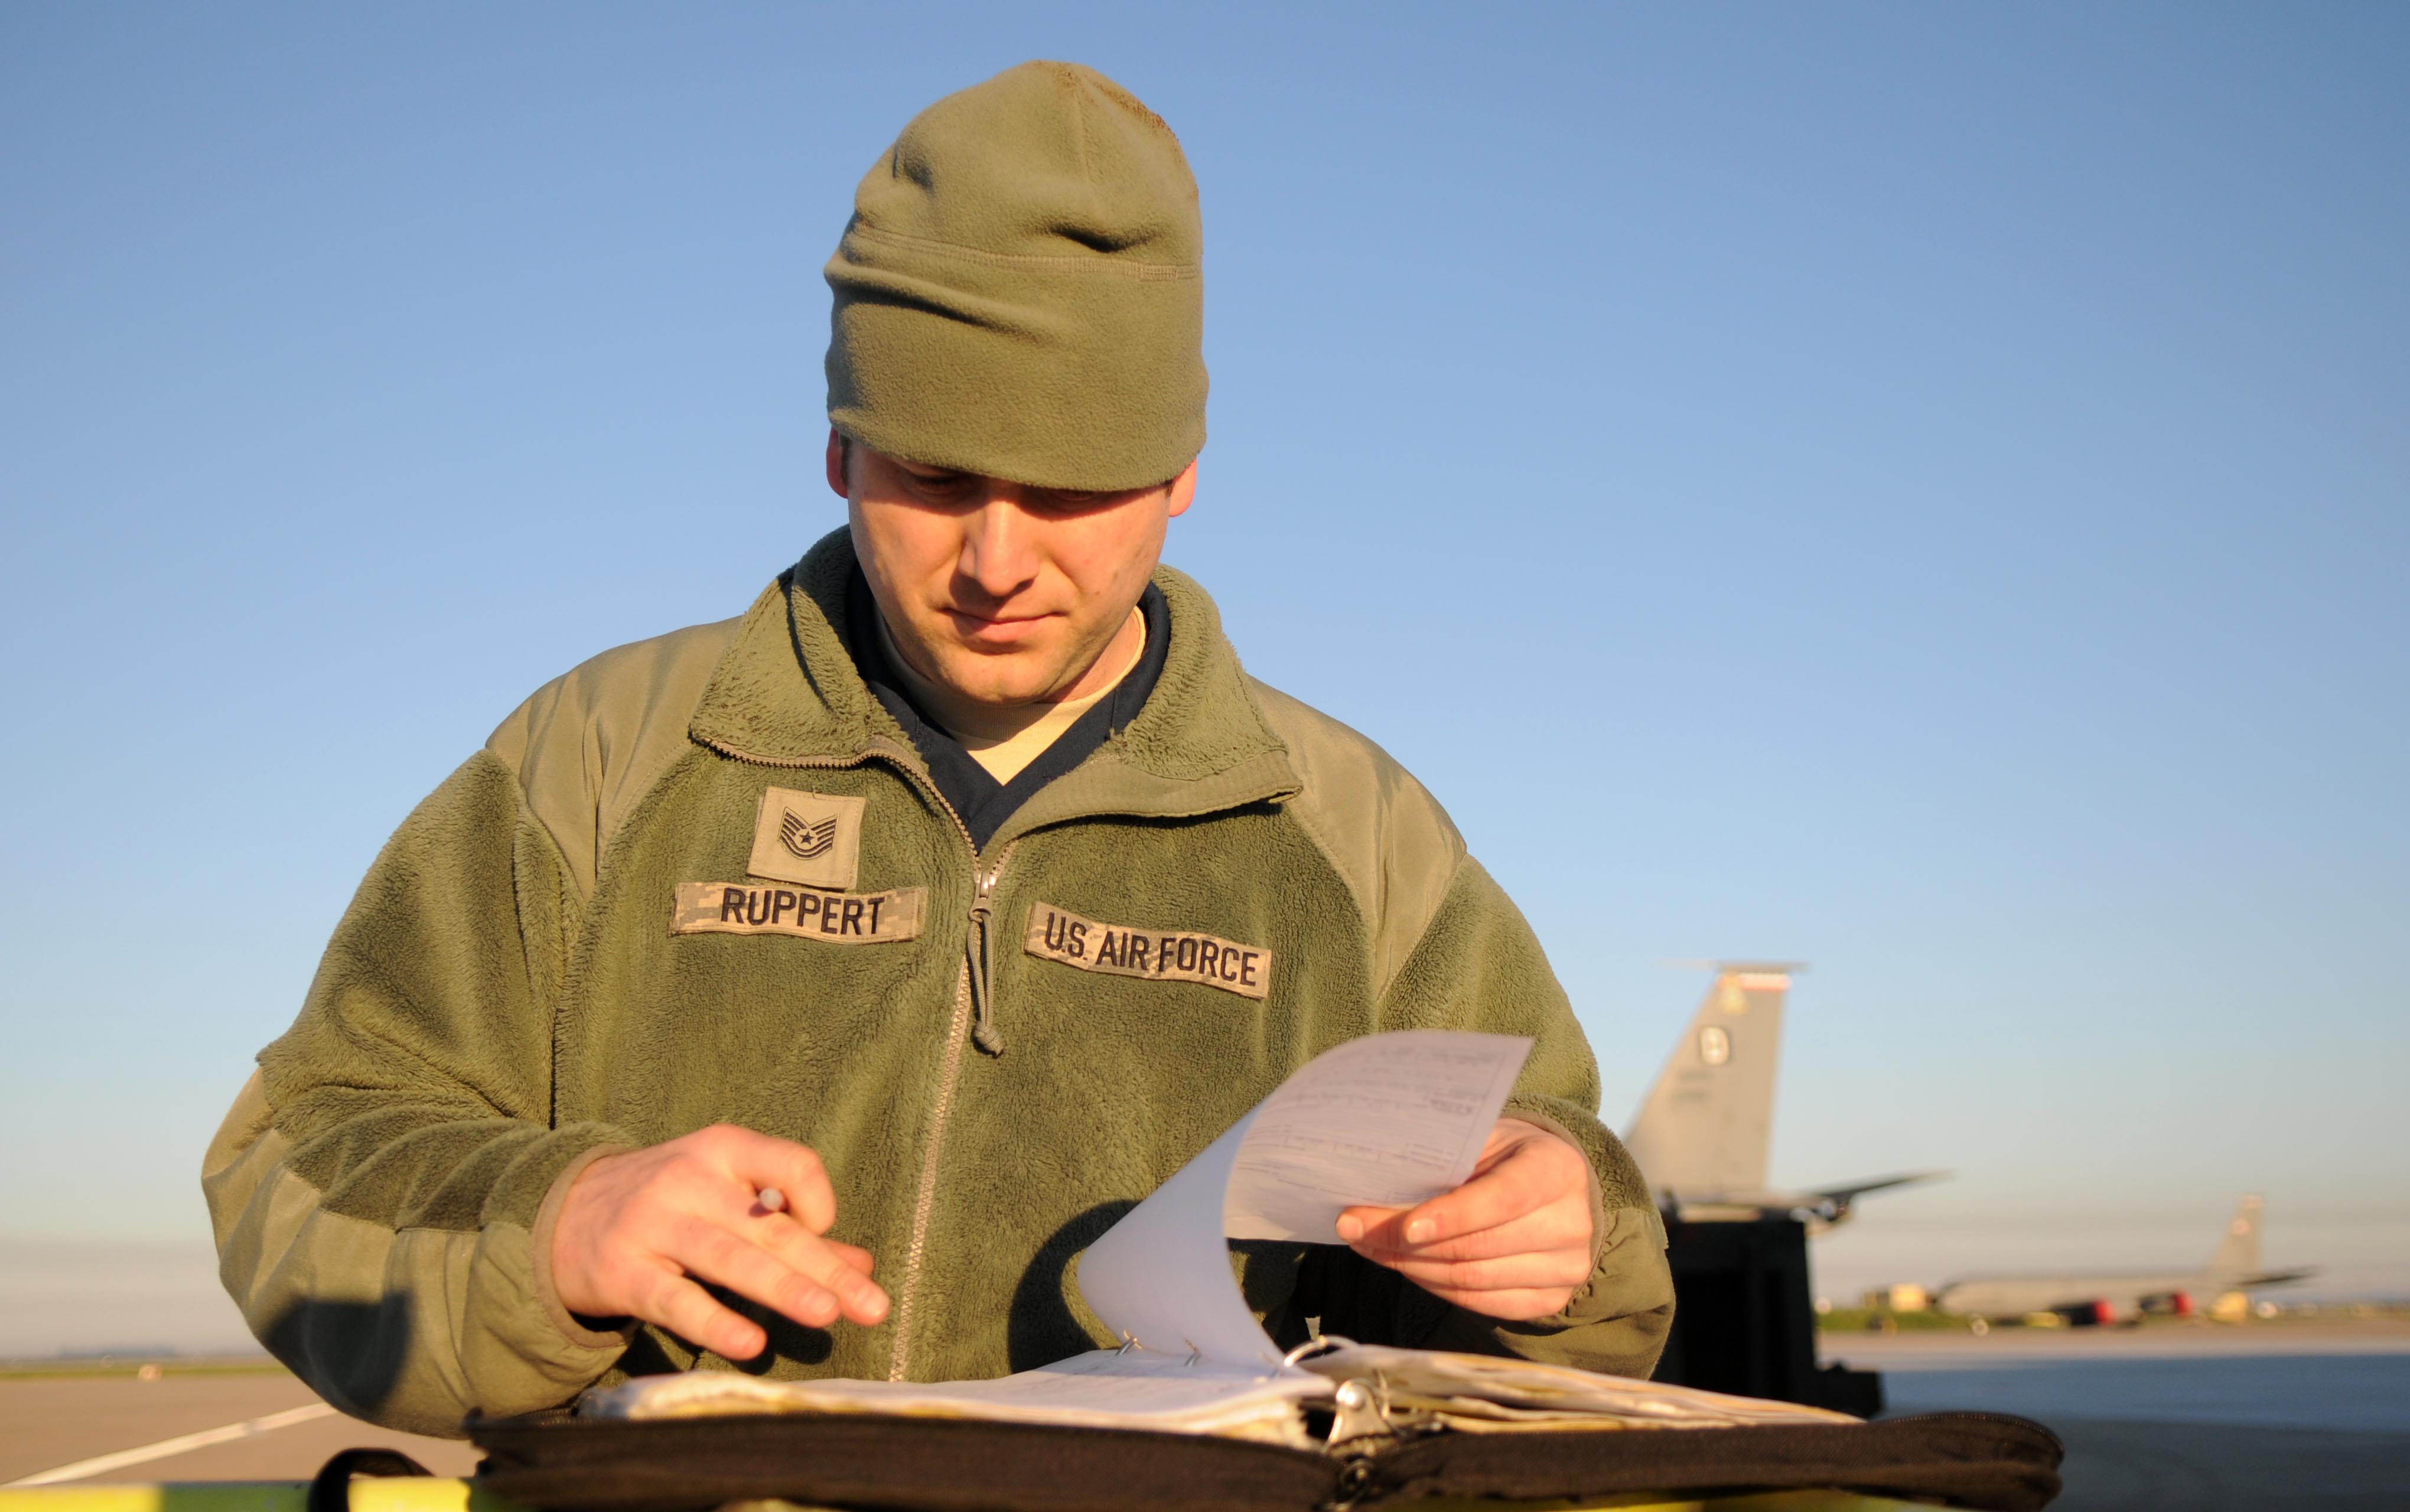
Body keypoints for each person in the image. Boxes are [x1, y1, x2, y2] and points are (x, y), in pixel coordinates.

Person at [203, 60, 1673, 1438]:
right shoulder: (598, 759)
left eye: (1074, 487)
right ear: (839, 447)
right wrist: (560, 1214)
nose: (995, 557)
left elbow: (1559, 1252)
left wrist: (1562, 1242)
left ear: (1180, 475)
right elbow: (309, 1143)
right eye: (934, 472)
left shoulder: (1358, 838)